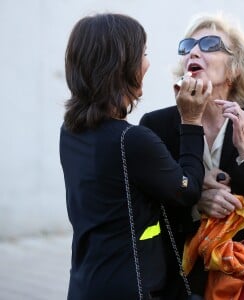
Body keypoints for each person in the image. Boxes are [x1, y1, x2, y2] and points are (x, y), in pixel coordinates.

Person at [60, 13, 211, 300]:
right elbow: (188, 190)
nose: (148, 63)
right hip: (131, 288)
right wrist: (192, 121)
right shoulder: (131, 140)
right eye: (143, 53)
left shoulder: (69, 132)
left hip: (85, 282)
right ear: (122, 65)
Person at [140, 13, 244, 298]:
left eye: (209, 44)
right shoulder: (155, 125)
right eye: (187, 47)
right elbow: (146, 214)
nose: (193, 51)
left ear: (234, 69)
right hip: (177, 280)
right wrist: (195, 202)